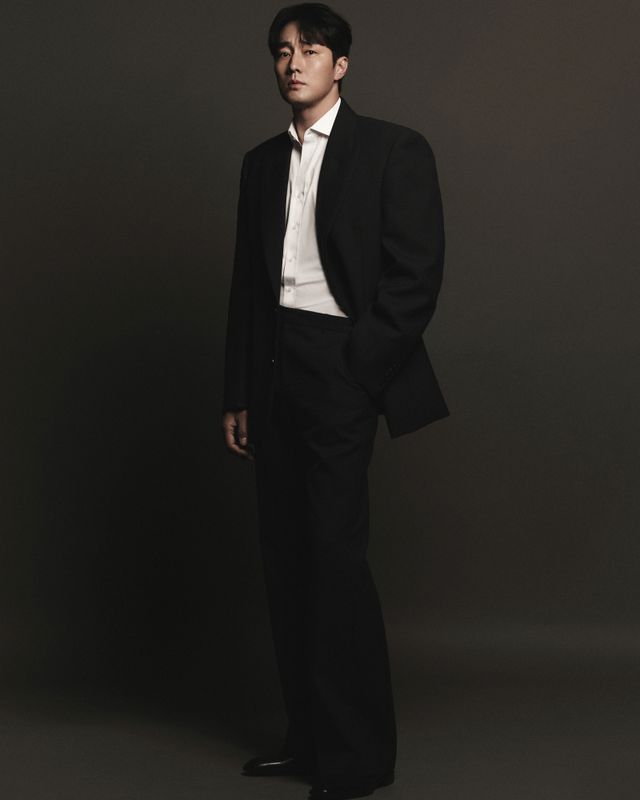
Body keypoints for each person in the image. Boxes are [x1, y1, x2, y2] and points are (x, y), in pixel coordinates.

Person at [221, 4, 448, 798]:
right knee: (285, 560)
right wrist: (239, 391)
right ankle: (308, 741)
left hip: (341, 365)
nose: (294, 63)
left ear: (340, 65)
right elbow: (248, 288)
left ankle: (357, 760)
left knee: (333, 560)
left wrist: (357, 366)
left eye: (311, 50)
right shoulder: (260, 164)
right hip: (273, 369)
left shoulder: (392, 149)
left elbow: (416, 275)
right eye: (283, 51)